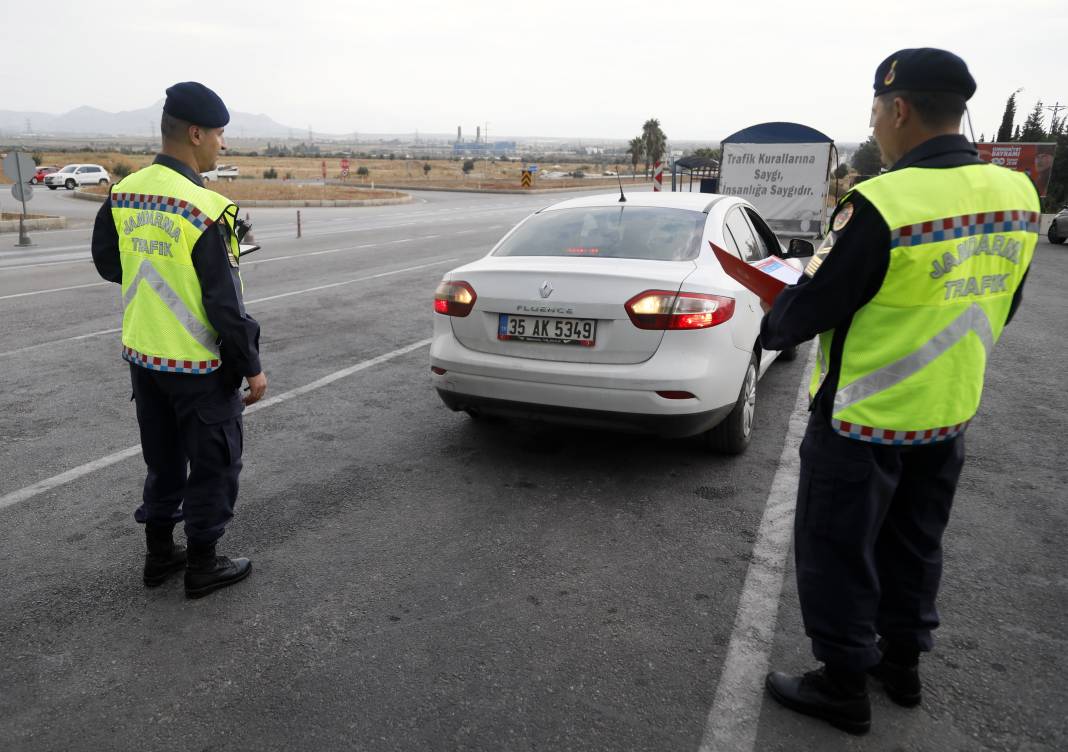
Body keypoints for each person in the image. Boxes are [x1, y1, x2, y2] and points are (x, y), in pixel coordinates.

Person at [760, 49, 1039, 734]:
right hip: (947, 413)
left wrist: (773, 313)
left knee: (837, 551)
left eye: (877, 111)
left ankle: (843, 684)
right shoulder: (1018, 195)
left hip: (864, 419)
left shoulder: (882, 204)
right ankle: (901, 666)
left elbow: (802, 314)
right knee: (915, 547)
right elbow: (1009, 299)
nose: (876, 124)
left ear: (900, 109)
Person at [91, 82, 267, 599]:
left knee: (162, 458)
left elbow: (108, 264)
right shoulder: (208, 207)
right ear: (195, 134)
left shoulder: (125, 191)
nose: (222, 146)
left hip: (144, 358)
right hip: (199, 368)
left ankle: (160, 555)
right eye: (218, 135)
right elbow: (225, 307)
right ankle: (204, 563)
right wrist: (252, 366)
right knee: (214, 462)